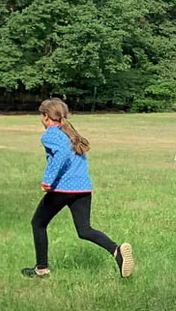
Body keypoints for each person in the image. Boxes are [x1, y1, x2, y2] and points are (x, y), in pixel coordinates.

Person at [24, 98, 134, 279]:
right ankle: (117, 251)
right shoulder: (70, 133)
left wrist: (47, 181)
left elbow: (61, 154)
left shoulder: (51, 134)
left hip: (62, 189)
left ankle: (41, 269)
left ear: (45, 116)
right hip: (83, 188)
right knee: (84, 230)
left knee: (38, 223)